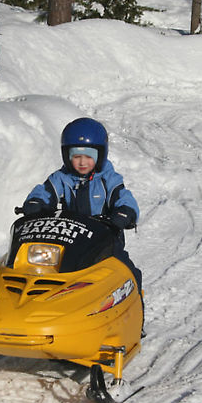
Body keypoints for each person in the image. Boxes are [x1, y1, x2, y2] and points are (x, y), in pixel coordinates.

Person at [21, 117, 142, 290]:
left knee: (127, 271)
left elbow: (123, 196)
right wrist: (36, 202)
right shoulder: (62, 178)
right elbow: (46, 191)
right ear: (66, 155)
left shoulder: (109, 179)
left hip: (105, 238)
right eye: (76, 156)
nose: (82, 162)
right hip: (71, 237)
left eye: (89, 156)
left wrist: (125, 212)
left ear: (100, 155)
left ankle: (134, 303)